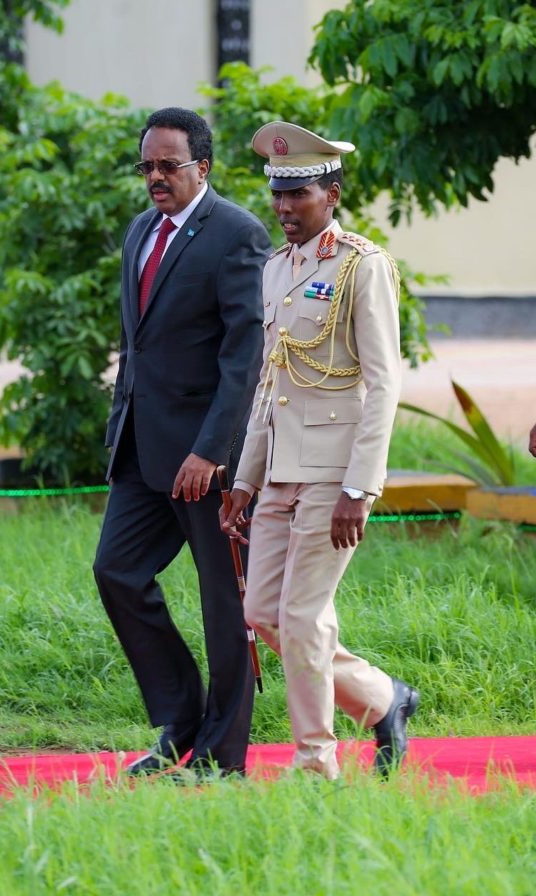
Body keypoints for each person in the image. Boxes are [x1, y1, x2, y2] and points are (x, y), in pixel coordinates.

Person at [221, 120, 418, 779]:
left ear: (331, 194)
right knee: (263, 612)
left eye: (297, 195)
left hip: (334, 474)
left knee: (301, 618)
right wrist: (244, 481)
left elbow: (385, 381)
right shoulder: (279, 270)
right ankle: (385, 699)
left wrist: (360, 489)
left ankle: (316, 765)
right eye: (277, 196)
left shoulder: (364, 267)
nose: (283, 209)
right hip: (280, 471)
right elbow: (268, 386)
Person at [93, 107, 271, 777]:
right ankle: (180, 719)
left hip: (208, 458)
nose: (156, 178)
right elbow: (133, 347)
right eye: (148, 166)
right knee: (116, 571)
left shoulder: (237, 234)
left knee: (226, 605)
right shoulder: (139, 232)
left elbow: (243, 356)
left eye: (170, 165)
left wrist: (215, 451)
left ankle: (223, 759)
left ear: (204, 166)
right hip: (142, 453)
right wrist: (119, 431)